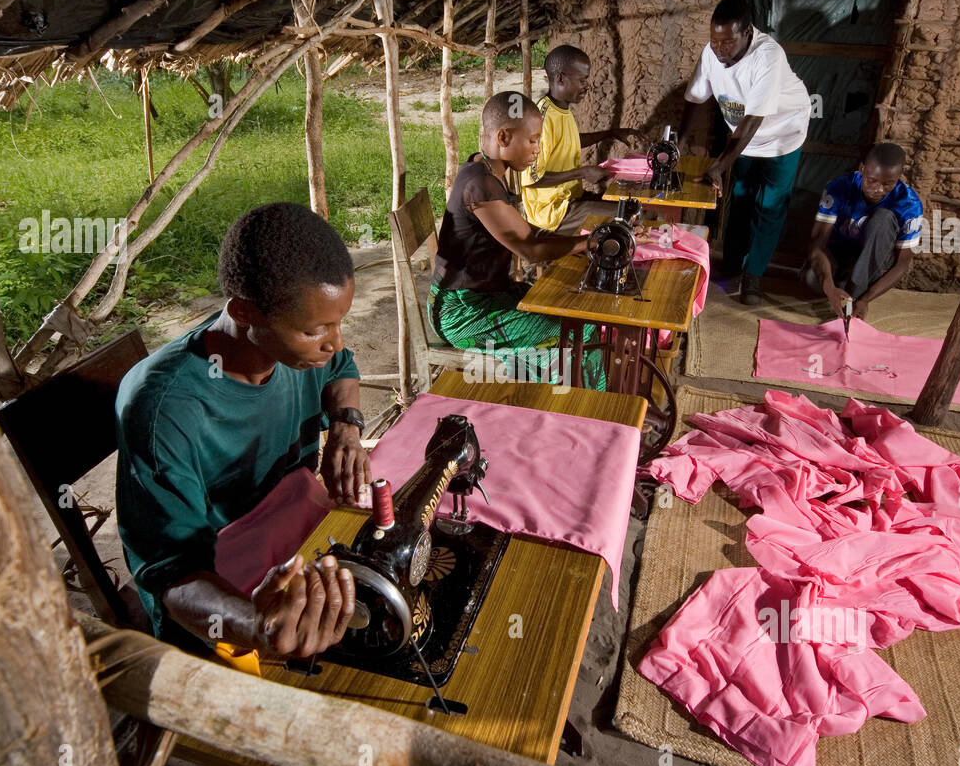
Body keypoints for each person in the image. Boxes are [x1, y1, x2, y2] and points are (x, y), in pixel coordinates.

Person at [115, 202, 370, 658]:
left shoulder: (297, 352)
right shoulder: (165, 410)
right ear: (246, 313)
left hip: (299, 536)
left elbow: (341, 371)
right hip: (219, 592)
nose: (335, 342)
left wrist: (346, 429)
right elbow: (172, 573)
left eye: (339, 323)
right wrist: (257, 624)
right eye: (317, 330)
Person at [433, 91, 607, 390]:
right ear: (503, 137)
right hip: (465, 314)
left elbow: (529, 234)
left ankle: (576, 398)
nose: (538, 149)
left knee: (569, 305)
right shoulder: (479, 185)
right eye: (533, 140)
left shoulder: (485, 170)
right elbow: (531, 249)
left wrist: (585, 242)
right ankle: (571, 408)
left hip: (487, 297)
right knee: (577, 328)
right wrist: (589, 243)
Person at [678, 0, 811, 305]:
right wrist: (678, 143)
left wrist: (719, 165)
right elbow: (695, 99)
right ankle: (733, 264)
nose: (720, 49)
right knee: (739, 198)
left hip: (781, 135)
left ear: (748, 33)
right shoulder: (712, 53)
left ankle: (754, 276)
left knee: (770, 205)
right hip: (743, 137)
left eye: (728, 43)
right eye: (714, 41)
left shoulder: (768, 55)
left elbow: (753, 120)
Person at [520, 45, 641, 236]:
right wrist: (582, 172)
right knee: (628, 218)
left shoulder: (561, 109)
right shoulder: (541, 118)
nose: (587, 85)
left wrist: (610, 133)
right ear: (560, 78)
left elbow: (569, 141)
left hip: (570, 199)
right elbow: (531, 179)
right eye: (582, 79)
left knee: (631, 207)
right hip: (552, 212)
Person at [802, 143, 923, 321]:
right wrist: (829, 286)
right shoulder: (839, 187)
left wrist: (865, 299)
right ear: (862, 169)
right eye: (872, 180)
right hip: (839, 257)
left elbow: (902, 264)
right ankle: (844, 286)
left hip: (873, 265)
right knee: (813, 279)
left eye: (888, 183)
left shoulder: (909, 203)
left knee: (883, 218)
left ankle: (855, 294)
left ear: (898, 177)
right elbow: (817, 243)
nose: (879, 189)